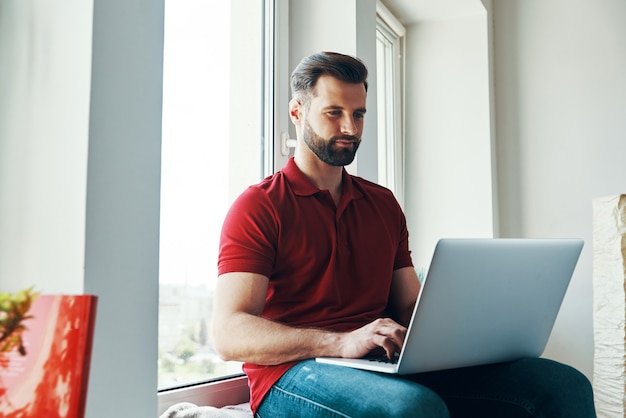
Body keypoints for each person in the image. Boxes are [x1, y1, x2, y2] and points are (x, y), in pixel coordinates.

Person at [212, 51, 596, 417]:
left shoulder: (382, 204)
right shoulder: (259, 206)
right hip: (294, 373)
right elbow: (229, 333)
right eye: (334, 113)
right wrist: (341, 342)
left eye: (359, 114)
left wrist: (474, 332)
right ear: (297, 112)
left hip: (380, 363)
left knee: (562, 385)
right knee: (412, 410)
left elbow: (410, 305)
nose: (350, 128)